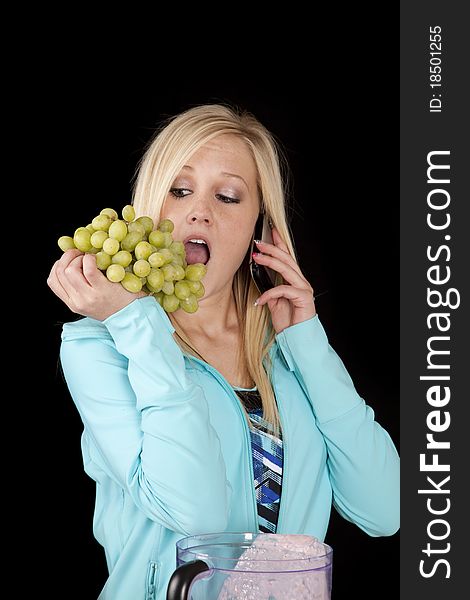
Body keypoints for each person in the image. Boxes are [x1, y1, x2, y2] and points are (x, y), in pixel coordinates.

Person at [47, 104, 400, 599]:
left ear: (258, 224)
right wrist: (136, 324)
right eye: (180, 189)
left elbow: (387, 509)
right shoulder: (101, 347)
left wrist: (310, 343)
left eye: (228, 195)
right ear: (154, 206)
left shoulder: (289, 351)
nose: (199, 210)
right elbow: (199, 517)